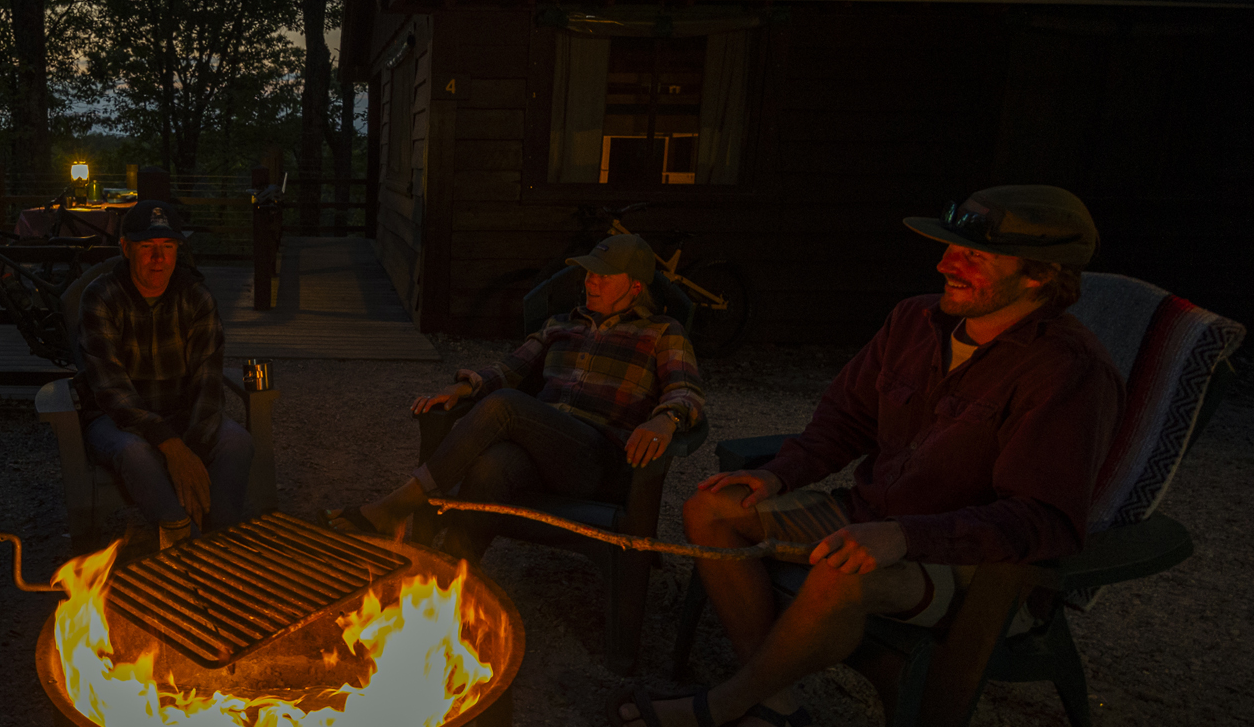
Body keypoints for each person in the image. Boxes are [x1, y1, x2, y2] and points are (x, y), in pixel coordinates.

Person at [616, 185, 1124, 727]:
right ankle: (774, 701)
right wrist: (780, 475)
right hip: (870, 512)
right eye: (952, 247)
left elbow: (1042, 518)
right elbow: (845, 420)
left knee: (843, 574)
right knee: (712, 507)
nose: (945, 263)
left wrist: (904, 536)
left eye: (974, 256)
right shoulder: (914, 321)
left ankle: (729, 703)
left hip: (963, 562)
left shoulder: (1069, 372)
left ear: (1040, 274)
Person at [326, 234, 704, 561]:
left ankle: (398, 505)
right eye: (590, 273)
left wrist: (665, 419)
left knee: (507, 404)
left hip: (597, 460)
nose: (591, 282)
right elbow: (509, 370)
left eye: (604, 276)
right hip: (540, 453)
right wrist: (466, 386)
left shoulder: (661, 333)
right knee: (493, 464)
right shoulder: (560, 324)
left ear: (635, 287)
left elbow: (686, 391)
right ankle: (453, 576)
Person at [75, 201, 253, 549]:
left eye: (168, 247)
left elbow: (208, 379)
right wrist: (171, 445)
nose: (159, 259)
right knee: (135, 453)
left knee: (237, 441)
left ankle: (223, 536)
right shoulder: (101, 298)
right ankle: (187, 544)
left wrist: (192, 449)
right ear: (125, 248)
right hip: (117, 420)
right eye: (147, 248)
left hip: (182, 413)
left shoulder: (196, 297)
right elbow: (112, 391)